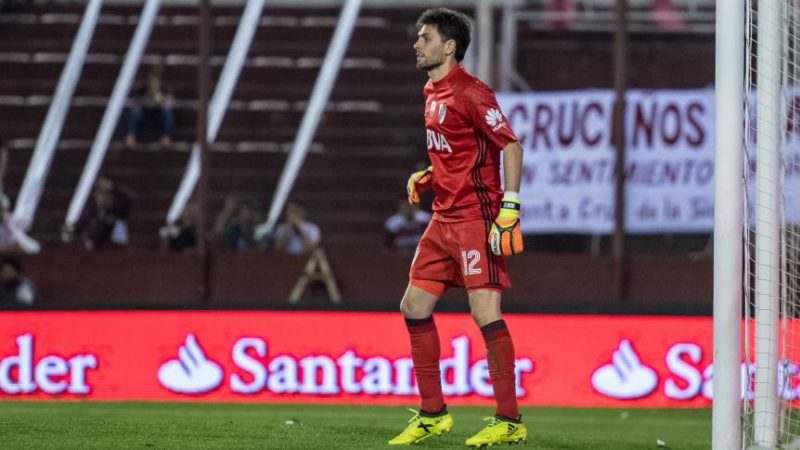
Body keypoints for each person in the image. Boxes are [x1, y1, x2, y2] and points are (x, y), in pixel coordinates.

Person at [388, 8, 527, 447]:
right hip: (442, 219)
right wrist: (430, 174)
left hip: (475, 219)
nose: (417, 44)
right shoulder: (431, 90)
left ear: (448, 46)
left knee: (485, 312)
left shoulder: (473, 92)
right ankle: (433, 414)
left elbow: (511, 146)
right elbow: (457, 150)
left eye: (425, 37)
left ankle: (509, 420)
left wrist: (510, 207)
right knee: (413, 307)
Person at [63, 176, 134, 251]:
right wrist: (73, 230)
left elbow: (129, 200)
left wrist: (114, 187)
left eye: (106, 194)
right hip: (95, 246)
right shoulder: (93, 210)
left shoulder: (118, 210)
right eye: (100, 194)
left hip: (113, 246)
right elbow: (83, 223)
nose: (102, 197)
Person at [124, 65, 174, 148]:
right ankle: (130, 136)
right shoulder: (143, 89)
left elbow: (170, 104)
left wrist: (160, 100)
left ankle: (165, 137)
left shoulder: (165, 89)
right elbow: (135, 102)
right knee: (134, 111)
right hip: (145, 116)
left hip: (158, 116)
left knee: (166, 112)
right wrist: (145, 100)